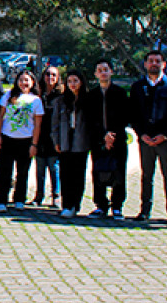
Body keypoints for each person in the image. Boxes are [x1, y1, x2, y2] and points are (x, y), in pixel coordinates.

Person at [129, 50, 167, 223]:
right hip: (145, 140)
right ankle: (145, 210)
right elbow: (133, 114)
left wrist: (165, 134)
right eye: (151, 61)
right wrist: (141, 134)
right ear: (145, 64)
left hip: (164, 140)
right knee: (147, 176)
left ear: (163, 64)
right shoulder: (137, 87)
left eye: (157, 61)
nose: (154, 64)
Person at [86, 59, 130, 219]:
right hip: (98, 141)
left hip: (118, 141)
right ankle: (100, 205)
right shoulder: (91, 95)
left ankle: (117, 206)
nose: (103, 72)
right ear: (96, 74)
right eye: (100, 70)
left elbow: (125, 116)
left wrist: (112, 134)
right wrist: (103, 135)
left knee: (118, 173)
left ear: (111, 72)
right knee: (98, 172)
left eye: (106, 69)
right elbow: (89, 119)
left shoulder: (120, 93)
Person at [0, 70, 43, 213]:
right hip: (7, 138)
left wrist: (34, 144)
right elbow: (1, 117)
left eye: (27, 80)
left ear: (33, 82)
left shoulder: (36, 100)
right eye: (21, 80)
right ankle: (1, 200)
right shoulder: (8, 96)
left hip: (26, 140)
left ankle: (19, 199)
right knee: (4, 172)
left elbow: (37, 124)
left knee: (22, 172)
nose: (23, 83)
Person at [52, 69, 89, 218]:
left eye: (76, 81)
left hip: (81, 142)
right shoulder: (60, 101)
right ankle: (66, 205)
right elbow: (54, 124)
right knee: (65, 174)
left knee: (79, 175)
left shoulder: (87, 99)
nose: (73, 84)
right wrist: (56, 141)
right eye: (69, 81)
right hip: (65, 141)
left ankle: (76, 204)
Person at [34, 67, 63, 208]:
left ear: (58, 78)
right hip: (40, 136)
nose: (50, 77)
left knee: (54, 167)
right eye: (47, 74)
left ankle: (56, 196)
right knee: (39, 168)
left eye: (53, 75)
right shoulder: (38, 94)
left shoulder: (60, 96)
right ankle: (39, 195)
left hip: (54, 137)